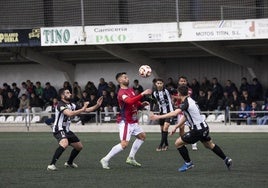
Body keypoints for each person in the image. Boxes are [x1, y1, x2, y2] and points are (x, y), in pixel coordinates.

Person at [150, 85, 232, 172]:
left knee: (178, 143)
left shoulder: (186, 103)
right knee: (209, 145)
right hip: (204, 127)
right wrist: (176, 127)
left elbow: (174, 113)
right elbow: (186, 116)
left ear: (179, 93)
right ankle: (226, 159)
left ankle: (188, 163)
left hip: (198, 130)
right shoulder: (191, 100)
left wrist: (158, 117)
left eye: (177, 93)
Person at [100, 72, 152, 170]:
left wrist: (141, 104)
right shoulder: (121, 93)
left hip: (133, 121)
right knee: (124, 144)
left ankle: (131, 158)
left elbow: (134, 101)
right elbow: (129, 101)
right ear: (120, 80)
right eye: (124, 77)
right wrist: (142, 94)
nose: (127, 78)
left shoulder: (130, 90)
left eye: (127, 77)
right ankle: (105, 159)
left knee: (142, 136)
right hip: (126, 122)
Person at [47, 88, 103, 171]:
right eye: (67, 93)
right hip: (59, 129)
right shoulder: (60, 104)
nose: (70, 94)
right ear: (62, 96)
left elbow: (86, 110)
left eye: (69, 92)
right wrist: (82, 108)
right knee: (64, 143)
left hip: (67, 130)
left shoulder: (72, 105)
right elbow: (69, 113)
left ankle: (69, 163)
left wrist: (97, 105)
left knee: (79, 147)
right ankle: (51, 165)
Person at [173, 76, 198, 151]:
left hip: (188, 111)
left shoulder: (189, 90)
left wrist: (173, 96)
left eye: (184, 81)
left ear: (186, 82)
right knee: (181, 128)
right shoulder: (176, 90)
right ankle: (183, 142)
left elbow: (182, 97)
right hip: (181, 111)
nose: (183, 82)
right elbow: (176, 100)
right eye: (181, 81)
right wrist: (174, 102)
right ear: (179, 82)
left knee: (191, 127)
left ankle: (194, 143)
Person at [152, 78, 174, 151]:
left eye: (160, 83)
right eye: (158, 83)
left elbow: (175, 91)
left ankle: (160, 145)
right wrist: (152, 110)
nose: (159, 85)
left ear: (163, 84)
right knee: (162, 130)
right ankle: (166, 144)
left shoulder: (167, 90)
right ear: (156, 84)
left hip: (169, 112)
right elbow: (154, 102)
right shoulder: (154, 93)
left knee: (165, 128)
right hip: (161, 113)